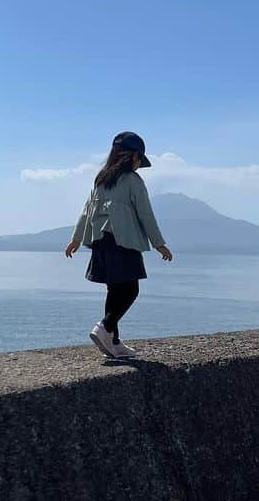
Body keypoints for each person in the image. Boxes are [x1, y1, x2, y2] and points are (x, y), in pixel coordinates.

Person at [65, 132, 173, 358]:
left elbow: (86, 211)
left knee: (114, 291)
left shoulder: (101, 179)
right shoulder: (133, 181)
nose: (138, 166)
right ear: (132, 156)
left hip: (99, 241)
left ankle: (113, 341)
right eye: (138, 160)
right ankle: (105, 326)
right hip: (122, 240)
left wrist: (76, 239)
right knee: (131, 289)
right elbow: (145, 214)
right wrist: (159, 243)